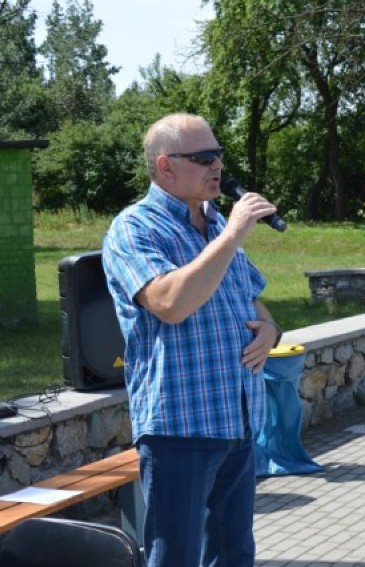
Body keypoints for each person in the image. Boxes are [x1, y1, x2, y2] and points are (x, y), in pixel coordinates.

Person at [102, 113, 282, 566]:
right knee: (176, 555)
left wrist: (271, 328)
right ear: (166, 166)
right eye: (204, 158)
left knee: (233, 553)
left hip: (236, 416)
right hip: (180, 425)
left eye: (218, 154)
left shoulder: (218, 223)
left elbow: (251, 297)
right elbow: (171, 303)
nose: (217, 165)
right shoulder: (134, 228)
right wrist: (236, 233)